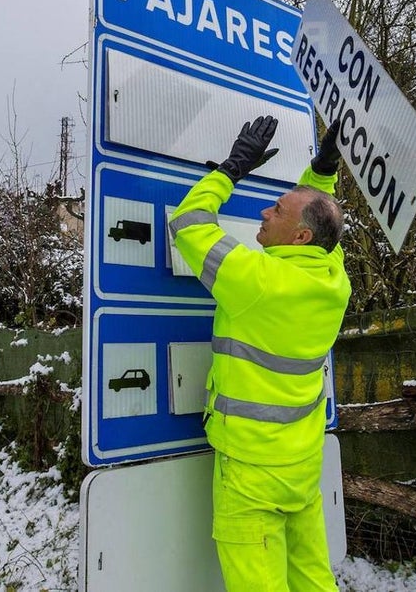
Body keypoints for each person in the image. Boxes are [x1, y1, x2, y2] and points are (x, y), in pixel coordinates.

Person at [169, 115, 350, 592]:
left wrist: (230, 169)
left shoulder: (257, 280)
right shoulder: (333, 277)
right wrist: (324, 168)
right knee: (314, 580)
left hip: (251, 474)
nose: (264, 214)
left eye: (276, 211)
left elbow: (187, 222)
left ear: (299, 237)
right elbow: (322, 215)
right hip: (300, 466)